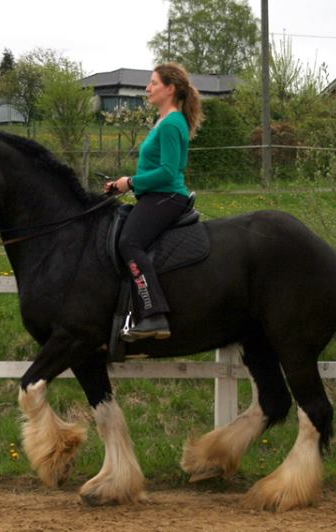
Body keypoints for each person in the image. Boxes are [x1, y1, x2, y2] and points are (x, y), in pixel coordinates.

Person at [104, 63, 203, 341]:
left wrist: (132, 182)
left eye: (153, 83)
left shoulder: (172, 123)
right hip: (156, 195)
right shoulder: (165, 121)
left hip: (167, 197)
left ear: (169, 89)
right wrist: (121, 184)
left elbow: (170, 171)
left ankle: (153, 314)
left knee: (129, 242)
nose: (148, 88)